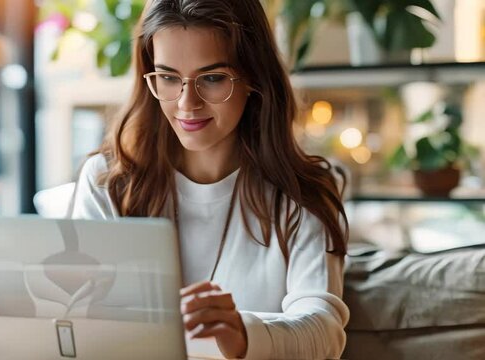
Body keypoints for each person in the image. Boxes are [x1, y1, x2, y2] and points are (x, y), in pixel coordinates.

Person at [70, 0, 349, 358]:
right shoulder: (109, 181)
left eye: (213, 78)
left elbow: (323, 331)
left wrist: (243, 335)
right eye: (169, 78)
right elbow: (82, 324)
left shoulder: (304, 192)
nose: (187, 103)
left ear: (254, 78)